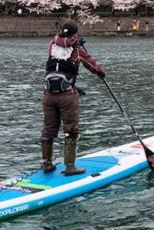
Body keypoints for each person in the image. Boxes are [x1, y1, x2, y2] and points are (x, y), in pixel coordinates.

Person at [41, 20, 106, 175]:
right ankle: (70, 166)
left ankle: (47, 163)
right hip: (67, 95)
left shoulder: (52, 44)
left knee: (49, 129)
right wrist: (100, 72)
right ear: (75, 33)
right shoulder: (76, 48)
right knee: (70, 129)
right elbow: (90, 63)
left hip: (48, 94)